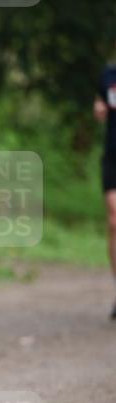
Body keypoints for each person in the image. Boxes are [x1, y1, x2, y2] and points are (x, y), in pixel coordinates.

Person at [93, 43, 116, 319]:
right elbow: (99, 102)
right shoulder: (108, 75)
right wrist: (99, 108)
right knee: (114, 220)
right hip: (113, 155)